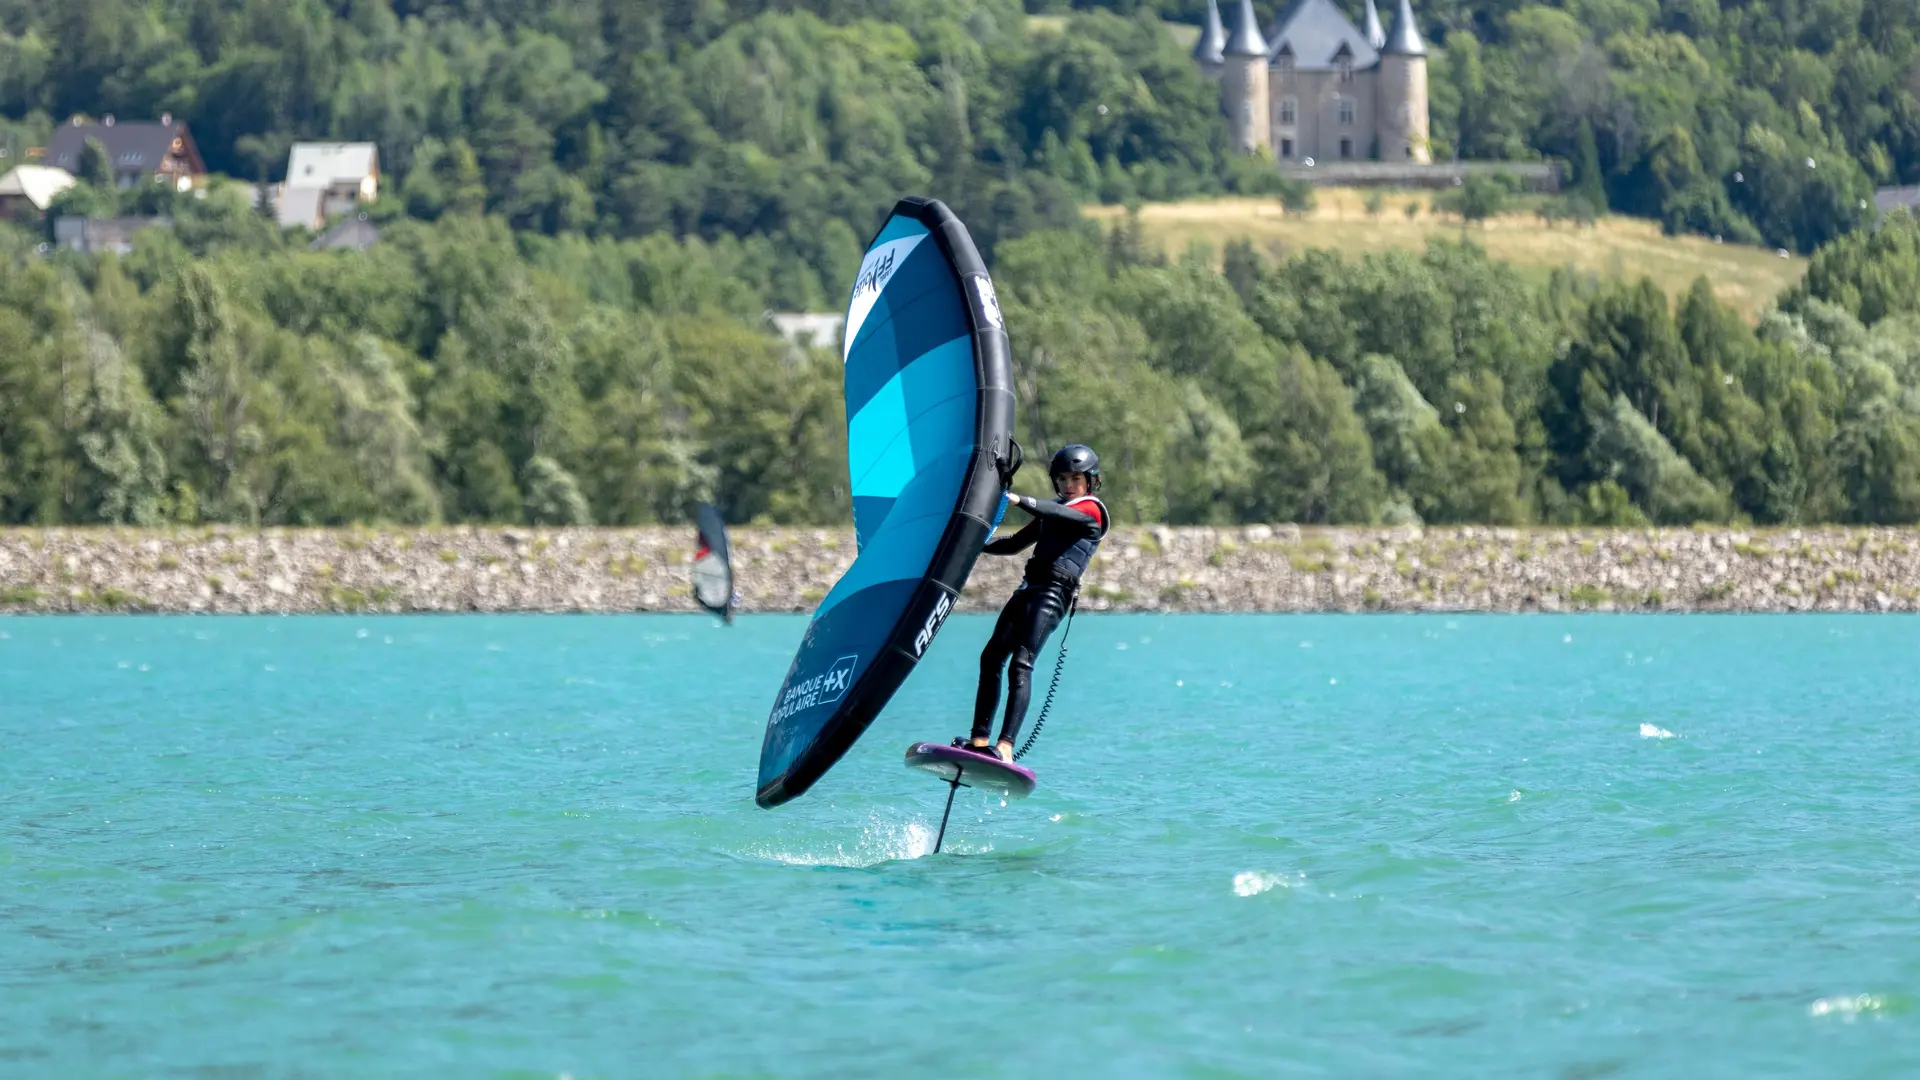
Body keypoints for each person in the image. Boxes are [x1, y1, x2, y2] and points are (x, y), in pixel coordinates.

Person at [961, 444, 1110, 762]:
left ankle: (1005, 747)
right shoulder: (1054, 509)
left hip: (1053, 596)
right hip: (1028, 589)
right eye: (1063, 480)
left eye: (1075, 479)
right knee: (991, 658)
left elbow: (1058, 513)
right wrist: (972, 544)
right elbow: (1014, 544)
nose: (1069, 486)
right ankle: (978, 741)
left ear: (1090, 481)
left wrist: (1018, 499)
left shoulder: (1091, 511)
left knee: (1021, 662)